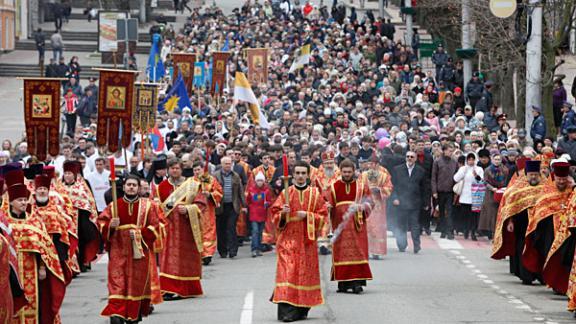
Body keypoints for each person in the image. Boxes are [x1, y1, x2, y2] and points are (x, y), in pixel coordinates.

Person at [98, 174, 163, 324]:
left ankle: (133, 314)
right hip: (118, 252)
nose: (131, 187)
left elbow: (155, 227)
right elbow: (100, 223)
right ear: (124, 187)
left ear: (139, 188)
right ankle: (117, 313)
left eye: (134, 185)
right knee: (117, 283)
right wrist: (110, 226)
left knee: (136, 284)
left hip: (139, 252)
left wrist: (140, 234)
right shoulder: (114, 206)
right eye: (129, 185)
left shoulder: (148, 206)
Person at [5, 167, 66, 323]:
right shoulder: (4, 222)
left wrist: (42, 267)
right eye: (20, 200)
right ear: (11, 202)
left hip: (31, 267)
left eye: (25, 200)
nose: (24, 203)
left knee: (36, 305)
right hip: (11, 271)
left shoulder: (34, 220)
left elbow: (45, 248)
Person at [270, 160, 328, 322]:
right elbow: (274, 215)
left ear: (308, 175)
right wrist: (283, 213)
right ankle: (287, 312)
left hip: (307, 242)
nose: (301, 176)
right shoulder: (285, 193)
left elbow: (323, 217)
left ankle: (301, 310)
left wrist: (307, 215)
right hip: (287, 241)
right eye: (298, 173)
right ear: (293, 175)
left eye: (303, 173)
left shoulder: (315, 194)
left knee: (304, 275)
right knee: (287, 274)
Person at [157, 158, 206, 299]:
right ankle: (169, 289)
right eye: (172, 168)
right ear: (168, 170)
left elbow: (201, 204)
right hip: (169, 228)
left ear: (181, 169)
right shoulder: (161, 187)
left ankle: (187, 288)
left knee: (186, 259)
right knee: (168, 260)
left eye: (177, 168)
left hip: (187, 228)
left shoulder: (193, 185)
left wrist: (189, 208)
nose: (175, 170)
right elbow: (157, 208)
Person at [491, 160, 545, 285]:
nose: (533, 177)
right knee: (522, 248)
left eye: (535, 174)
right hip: (522, 223)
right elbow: (510, 206)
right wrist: (510, 221)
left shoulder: (545, 188)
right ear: (526, 175)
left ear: (539, 175)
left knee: (539, 248)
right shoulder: (517, 189)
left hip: (540, 224)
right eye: (531, 174)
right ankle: (526, 276)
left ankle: (540, 274)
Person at [327, 159, 374, 293]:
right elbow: (327, 203)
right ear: (340, 171)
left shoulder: (361, 186)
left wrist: (362, 206)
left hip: (356, 225)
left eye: (349, 172)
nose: (347, 174)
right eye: (344, 172)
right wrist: (328, 207)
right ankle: (343, 284)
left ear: (353, 172)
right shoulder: (334, 186)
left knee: (358, 252)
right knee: (342, 253)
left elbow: (370, 202)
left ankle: (357, 283)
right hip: (340, 225)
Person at [522, 162, 572, 282]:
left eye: (563, 179)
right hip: (549, 230)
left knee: (565, 257)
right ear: (555, 178)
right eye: (559, 179)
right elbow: (540, 209)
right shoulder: (547, 191)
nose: (561, 182)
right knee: (551, 256)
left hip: (568, 232)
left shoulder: (572, 191)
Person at [60, 160, 100, 272]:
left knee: (81, 240)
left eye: (70, 174)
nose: (67, 176)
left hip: (79, 217)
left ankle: (81, 263)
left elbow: (88, 203)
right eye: (66, 173)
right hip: (64, 219)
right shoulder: (60, 187)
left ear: (74, 175)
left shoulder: (81, 187)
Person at [391, 150, 427, 253]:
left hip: (415, 202)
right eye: (408, 156)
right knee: (401, 225)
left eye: (412, 157)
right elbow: (393, 186)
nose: (410, 158)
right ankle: (402, 244)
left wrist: (425, 202)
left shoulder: (421, 171)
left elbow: (424, 187)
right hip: (401, 202)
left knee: (415, 224)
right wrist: (395, 198)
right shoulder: (397, 170)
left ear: (415, 159)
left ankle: (417, 246)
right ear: (405, 158)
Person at [360, 154, 393, 259]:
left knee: (378, 228)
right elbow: (358, 186)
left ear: (377, 165)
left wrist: (379, 190)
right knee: (367, 227)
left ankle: (377, 251)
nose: (370, 166)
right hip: (366, 203)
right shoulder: (364, 175)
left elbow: (389, 187)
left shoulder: (384, 175)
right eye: (369, 164)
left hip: (378, 205)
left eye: (372, 164)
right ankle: (368, 250)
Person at [214, 156, 246, 259]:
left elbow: (240, 191)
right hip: (220, 206)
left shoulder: (235, 176)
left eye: (229, 164)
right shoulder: (215, 176)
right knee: (221, 228)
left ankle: (233, 250)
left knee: (231, 227)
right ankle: (222, 250)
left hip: (233, 205)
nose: (228, 166)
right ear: (221, 164)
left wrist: (244, 205)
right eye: (226, 164)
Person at [192, 161, 223, 265]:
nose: (197, 172)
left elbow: (219, 192)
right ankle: (199, 254)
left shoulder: (210, 179)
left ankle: (208, 254)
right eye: (195, 170)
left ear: (202, 169)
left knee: (209, 232)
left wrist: (210, 194)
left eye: (198, 170)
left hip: (208, 211)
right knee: (197, 233)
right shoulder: (190, 182)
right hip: (195, 211)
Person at [313, 151, 340, 255]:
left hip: (336, 204)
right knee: (323, 224)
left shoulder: (339, 174)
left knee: (336, 223)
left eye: (331, 163)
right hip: (322, 204)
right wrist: (322, 203)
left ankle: (334, 245)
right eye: (327, 163)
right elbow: (315, 191)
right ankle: (323, 245)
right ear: (323, 164)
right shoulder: (317, 176)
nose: (329, 165)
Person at [453, 153, 484, 240]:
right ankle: (465, 230)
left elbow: (481, 181)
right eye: (469, 159)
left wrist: (476, 176)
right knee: (465, 215)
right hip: (464, 195)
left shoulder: (479, 169)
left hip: (475, 196)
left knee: (474, 216)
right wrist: (463, 171)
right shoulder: (463, 168)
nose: (471, 161)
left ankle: (473, 232)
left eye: (472, 159)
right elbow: (455, 179)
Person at [478, 153, 509, 240]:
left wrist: (502, 188)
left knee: (498, 212)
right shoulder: (488, 170)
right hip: (490, 193)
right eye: (495, 159)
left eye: (499, 159)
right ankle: (489, 231)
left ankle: (497, 231)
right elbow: (485, 182)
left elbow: (506, 180)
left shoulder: (505, 170)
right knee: (490, 212)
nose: (497, 161)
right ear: (492, 160)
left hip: (500, 192)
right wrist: (492, 188)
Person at [432, 144, 459, 239]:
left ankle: (449, 231)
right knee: (442, 211)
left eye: (452, 151)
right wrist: (434, 191)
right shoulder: (437, 161)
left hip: (450, 191)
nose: (450, 152)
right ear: (444, 151)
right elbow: (434, 177)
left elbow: (457, 175)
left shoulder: (454, 162)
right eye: (449, 150)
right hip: (440, 190)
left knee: (450, 211)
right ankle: (443, 230)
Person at [246, 172, 271, 257]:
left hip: (263, 213)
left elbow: (269, 200)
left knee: (260, 232)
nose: (259, 182)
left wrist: (267, 203)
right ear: (255, 181)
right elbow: (248, 200)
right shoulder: (251, 190)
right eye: (258, 180)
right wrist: (251, 206)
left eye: (261, 181)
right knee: (255, 231)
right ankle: (254, 249)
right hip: (254, 213)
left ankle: (259, 248)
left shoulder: (266, 190)